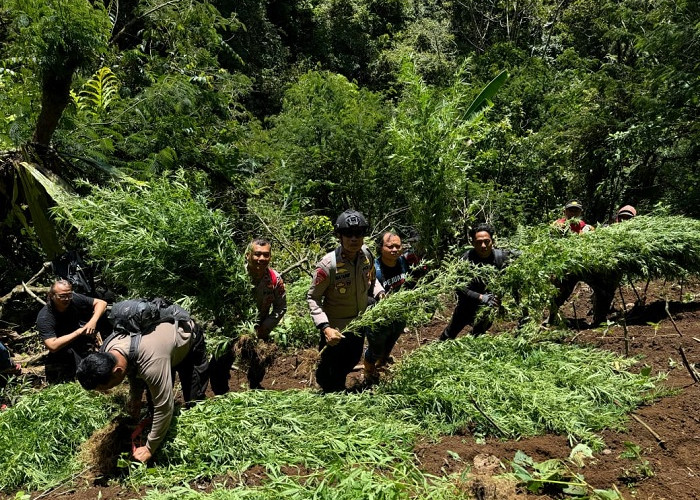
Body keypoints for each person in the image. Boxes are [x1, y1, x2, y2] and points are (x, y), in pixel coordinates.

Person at [76, 308, 209, 463]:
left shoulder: (151, 363)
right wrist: (135, 399)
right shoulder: (107, 351)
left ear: (117, 371)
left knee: (193, 401)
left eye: (106, 387)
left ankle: (198, 444)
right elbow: (132, 370)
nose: (106, 391)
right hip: (159, 349)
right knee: (152, 406)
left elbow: (164, 406)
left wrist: (149, 448)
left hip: (186, 342)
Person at [307, 209, 384, 392]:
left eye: (358, 234)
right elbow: (313, 297)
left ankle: (338, 390)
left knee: (351, 360)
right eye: (348, 234)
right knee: (328, 371)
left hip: (359, 323)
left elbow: (372, 280)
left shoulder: (366, 255)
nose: (354, 239)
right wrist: (325, 328)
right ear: (339, 236)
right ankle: (329, 397)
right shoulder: (328, 265)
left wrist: (380, 292)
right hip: (336, 329)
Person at [210, 238, 287, 393]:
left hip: (259, 328)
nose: (261, 259)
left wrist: (266, 327)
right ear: (247, 255)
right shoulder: (233, 276)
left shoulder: (274, 280)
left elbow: (281, 307)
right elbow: (218, 302)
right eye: (257, 254)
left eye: (266, 255)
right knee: (219, 364)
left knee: (260, 360)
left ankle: (255, 388)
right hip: (231, 328)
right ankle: (221, 395)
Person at [440, 223, 517, 340]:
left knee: (477, 335)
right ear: (472, 243)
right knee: (449, 335)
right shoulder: (465, 260)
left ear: (493, 241)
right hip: (467, 304)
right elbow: (459, 287)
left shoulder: (501, 257)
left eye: (487, 241)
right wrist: (481, 297)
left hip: (488, 307)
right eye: (479, 242)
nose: (483, 245)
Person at [363, 231, 417, 383]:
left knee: (390, 343)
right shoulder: (374, 269)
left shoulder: (403, 262)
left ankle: (382, 364)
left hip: (399, 314)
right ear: (380, 248)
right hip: (378, 318)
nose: (394, 249)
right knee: (376, 349)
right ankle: (368, 371)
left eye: (397, 246)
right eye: (390, 246)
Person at [36, 279, 109, 383]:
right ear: (51, 295)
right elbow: (52, 346)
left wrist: (93, 321)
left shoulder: (73, 298)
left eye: (69, 295)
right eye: (62, 296)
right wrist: (78, 332)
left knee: (106, 313)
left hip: (81, 336)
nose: (66, 299)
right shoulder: (45, 317)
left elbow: (101, 303)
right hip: (65, 345)